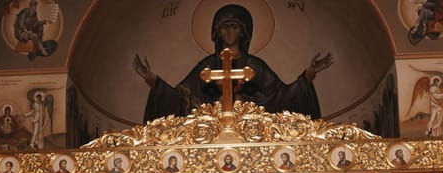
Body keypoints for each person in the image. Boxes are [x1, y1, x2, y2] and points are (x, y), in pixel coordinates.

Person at [133, 4, 332, 122]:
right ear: (216, 32)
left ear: (243, 32)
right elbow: (180, 99)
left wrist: (309, 74)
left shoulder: (255, 66)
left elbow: (281, 99)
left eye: (235, 27)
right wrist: (151, 79)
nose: (229, 32)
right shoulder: (208, 65)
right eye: (225, 28)